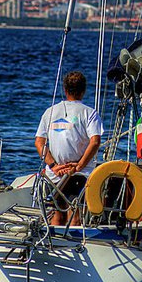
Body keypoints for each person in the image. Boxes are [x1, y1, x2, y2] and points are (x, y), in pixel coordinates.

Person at [34, 70, 104, 226]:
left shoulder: (50, 112)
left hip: (54, 174)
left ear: (65, 90)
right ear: (84, 90)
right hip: (79, 173)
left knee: (56, 215)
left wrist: (54, 166)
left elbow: (39, 142)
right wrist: (78, 166)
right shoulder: (89, 113)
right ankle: (73, 245)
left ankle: (55, 247)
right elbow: (95, 141)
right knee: (75, 214)